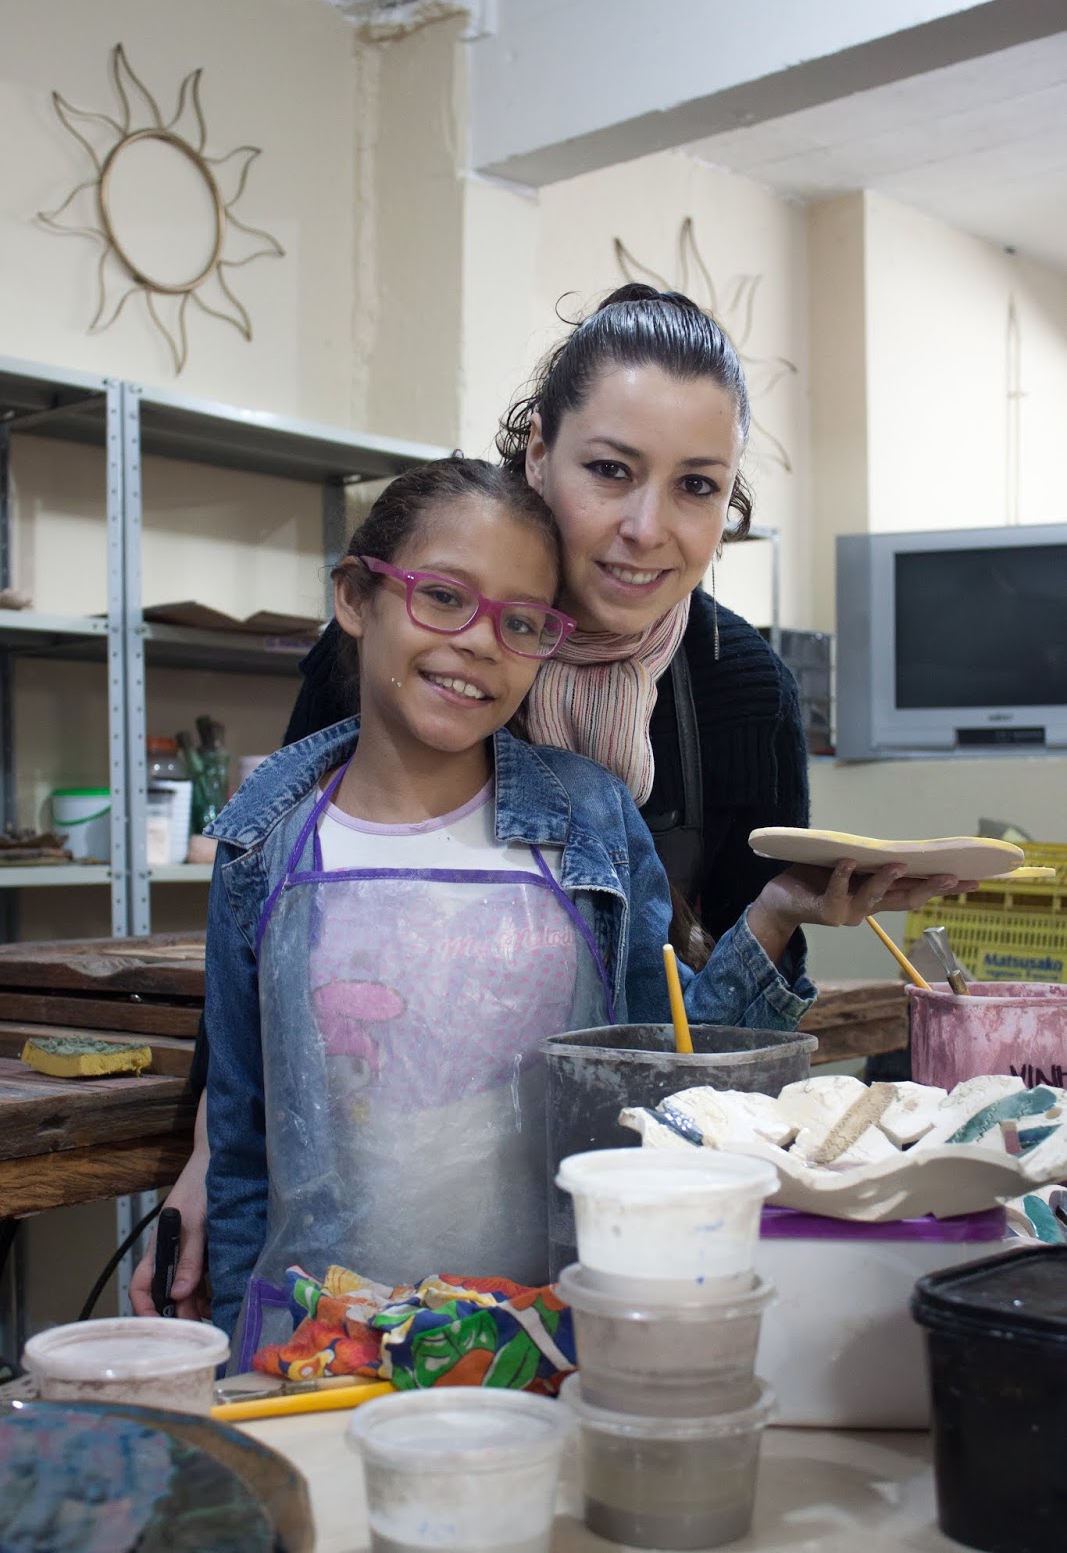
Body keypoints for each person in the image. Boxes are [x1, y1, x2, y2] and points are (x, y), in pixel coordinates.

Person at [130, 285, 968, 1317]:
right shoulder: (387, 642)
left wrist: (780, 915)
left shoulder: (742, 693)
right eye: (609, 469)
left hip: (570, 1246)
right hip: (339, 1246)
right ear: (539, 452)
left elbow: (686, 1051)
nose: (644, 528)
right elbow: (270, 960)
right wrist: (211, 1159)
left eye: (696, 485)